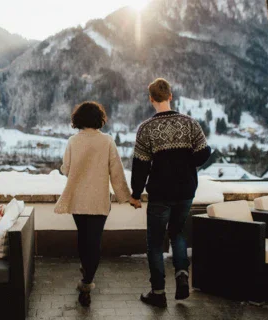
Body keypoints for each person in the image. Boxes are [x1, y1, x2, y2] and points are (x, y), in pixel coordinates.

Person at [130, 78, 211, 307]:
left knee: (155, 243)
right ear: (170, 96)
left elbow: (140, 165)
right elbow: (204, 153)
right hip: (186, 190)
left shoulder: (146, 128)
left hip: (160, 193)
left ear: (151, 99)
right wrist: (186, 164)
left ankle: (158, 293)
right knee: (177, 233)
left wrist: (135, 194)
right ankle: (182, 275)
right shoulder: (189, 123)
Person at [55, 101, 131, 307]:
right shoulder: (107, 141)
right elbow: (116, 173)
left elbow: (66, 169)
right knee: (95, 240)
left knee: (83, 237)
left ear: (78, 119)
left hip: (78, 199)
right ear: (99, 119)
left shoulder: (73, 141)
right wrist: (126, 197)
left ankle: (86, 271)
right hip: (99, 200)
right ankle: (87, 281)